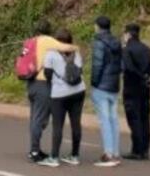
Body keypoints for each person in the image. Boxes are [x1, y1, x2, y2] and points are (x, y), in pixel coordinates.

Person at [26, 20, 77, 162]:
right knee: (39, 119)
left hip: (31, 82)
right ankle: (34, 152)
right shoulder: (48, 41)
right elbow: (67, 47)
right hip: (43, 84)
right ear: (49, 30)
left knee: (34, 118)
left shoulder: (31, 41)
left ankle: (34, 149)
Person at [39, 28, 85, 167]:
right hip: (78, 91)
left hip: (59, 93)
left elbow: (47, 74)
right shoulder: (76, 53)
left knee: (58, 125)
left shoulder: (51, 54)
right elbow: (80, 71)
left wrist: (54, 82)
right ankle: (75, 155)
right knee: (76, 123)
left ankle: (54, 157)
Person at [121, 23, 150, 160]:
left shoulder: (127, 50)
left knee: (134, 119)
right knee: (144, 118)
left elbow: (129, 68)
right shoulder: (147, 49)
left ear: (128, 34)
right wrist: (148, 79)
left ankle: (137, 150)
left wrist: (139, 76)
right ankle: (145, 150)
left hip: (131, 87)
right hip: (145, 88)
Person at [91, 15, 122, 167]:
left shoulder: (99, 42)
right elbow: (120, 65)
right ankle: (115, 152)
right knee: (113, 120)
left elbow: (97, 64)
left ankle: (108, 154)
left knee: (105, 121)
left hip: (102, 86)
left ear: (97, 26)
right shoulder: (117, 42)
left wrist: (94, 83)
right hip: (114, 85)